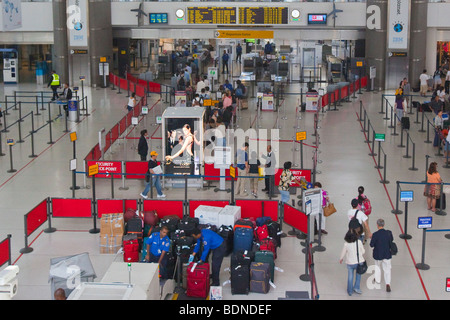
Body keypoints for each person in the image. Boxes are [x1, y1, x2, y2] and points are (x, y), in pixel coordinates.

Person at [370, 219, 394, 293]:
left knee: (377, 267)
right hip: (387, 254)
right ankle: (388, 284)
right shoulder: (389, 233)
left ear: (377, 225)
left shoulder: (375, 234)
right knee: (387, 269)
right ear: (384, 225)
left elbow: (371, 245)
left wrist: (372, 238)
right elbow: (391, 240)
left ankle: (377, 280)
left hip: (378, 254)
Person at [339, 229, 365, 296]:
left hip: (350, 262)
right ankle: (357, 288)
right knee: (358, 275)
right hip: (359, 262)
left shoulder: (346, 244)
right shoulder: (359, 242)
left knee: (350, 276)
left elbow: (343, 252)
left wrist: (341, 258)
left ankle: (350, 291)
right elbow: (363, 252)